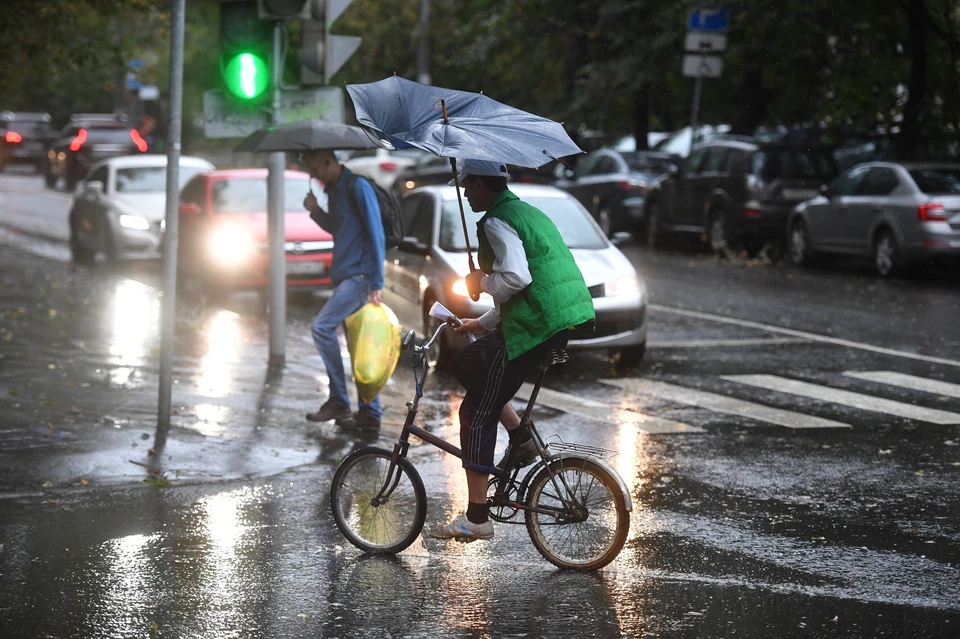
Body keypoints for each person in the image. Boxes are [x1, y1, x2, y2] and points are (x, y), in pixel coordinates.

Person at [428, 159, 595, 542]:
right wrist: (480, 323)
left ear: (483, 185)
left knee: (474, 412)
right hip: (552, 321)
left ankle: (477, 518)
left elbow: (517, 278)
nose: (466, 192)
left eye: (468, 185)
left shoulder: (495, 221)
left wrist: (480, 281)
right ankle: (521, 439)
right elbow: (518, 289)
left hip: (535, 328)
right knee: (465, 361)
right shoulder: (525, 211)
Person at [300, 149, 386, 430]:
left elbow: (376, 233)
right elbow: (340, 230)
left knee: (322, 328)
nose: (313, 175)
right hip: (348, 276)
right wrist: (316, 212)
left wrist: (377, 281)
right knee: (358, 346)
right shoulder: (335, 191)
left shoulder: (357, 186)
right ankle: (369, 414)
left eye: (314, 168)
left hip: (359, 277)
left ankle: (338, 400)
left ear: (328, 160)